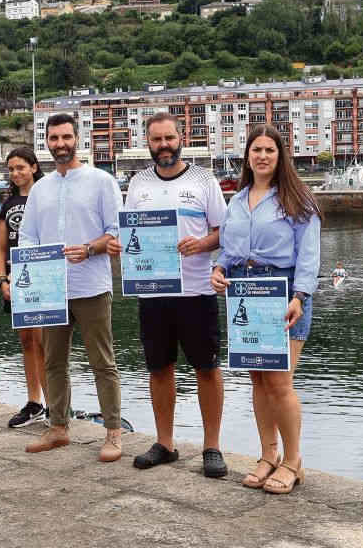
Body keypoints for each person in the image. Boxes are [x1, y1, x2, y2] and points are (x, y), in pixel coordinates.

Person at [107, 112, 229, 478]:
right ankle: (166, 443)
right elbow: (131, 236)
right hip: (153, 293)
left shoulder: (204, 180)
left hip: (197, 290)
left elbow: (225, 232)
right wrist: (119, 246)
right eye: (157, 139)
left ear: (182, 138)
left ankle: (212, 447)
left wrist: (202, 243)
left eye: (169, 139)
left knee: (206, 368)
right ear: (148, 142)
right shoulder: (139, 183)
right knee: (159, 368)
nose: (164, 146)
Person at [210, 124, 322, 494]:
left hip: (285, 294)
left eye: (269, 150)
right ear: (247, 156)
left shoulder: (297, 200)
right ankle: (267, 453)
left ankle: (293, 461)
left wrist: (299, 297)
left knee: (279, 381)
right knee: (257, 379)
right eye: (256, 150)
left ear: (280, 156)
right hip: (244, 292)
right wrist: (218, 269)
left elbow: (309, 256)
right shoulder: (238, 200)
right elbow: (228, 248)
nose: (261, 156)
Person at [19, 112, 124, 463]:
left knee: (102, 362)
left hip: (91, 284)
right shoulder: (39, 188)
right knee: (53, 362)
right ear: (45, 142)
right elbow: (27, 236)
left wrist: (91, 248)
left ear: (78, 139)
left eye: (66, 137)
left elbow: (117, 230)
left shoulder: (101, 181)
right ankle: (58, 427)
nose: (60, 145)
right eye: (54, 139)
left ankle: (112, 432)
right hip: (51, 291)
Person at [0, 147, 48, 428]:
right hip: (17, 280)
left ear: (34, 168)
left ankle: (55, 403)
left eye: (21, 168)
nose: (16, 173)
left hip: (44, 279)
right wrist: (2, 279)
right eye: (12, 169)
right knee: (27, 341)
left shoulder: (48, 196)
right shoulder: (8, 203)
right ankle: (33, 401)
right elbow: (1, 247)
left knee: (45, 343)